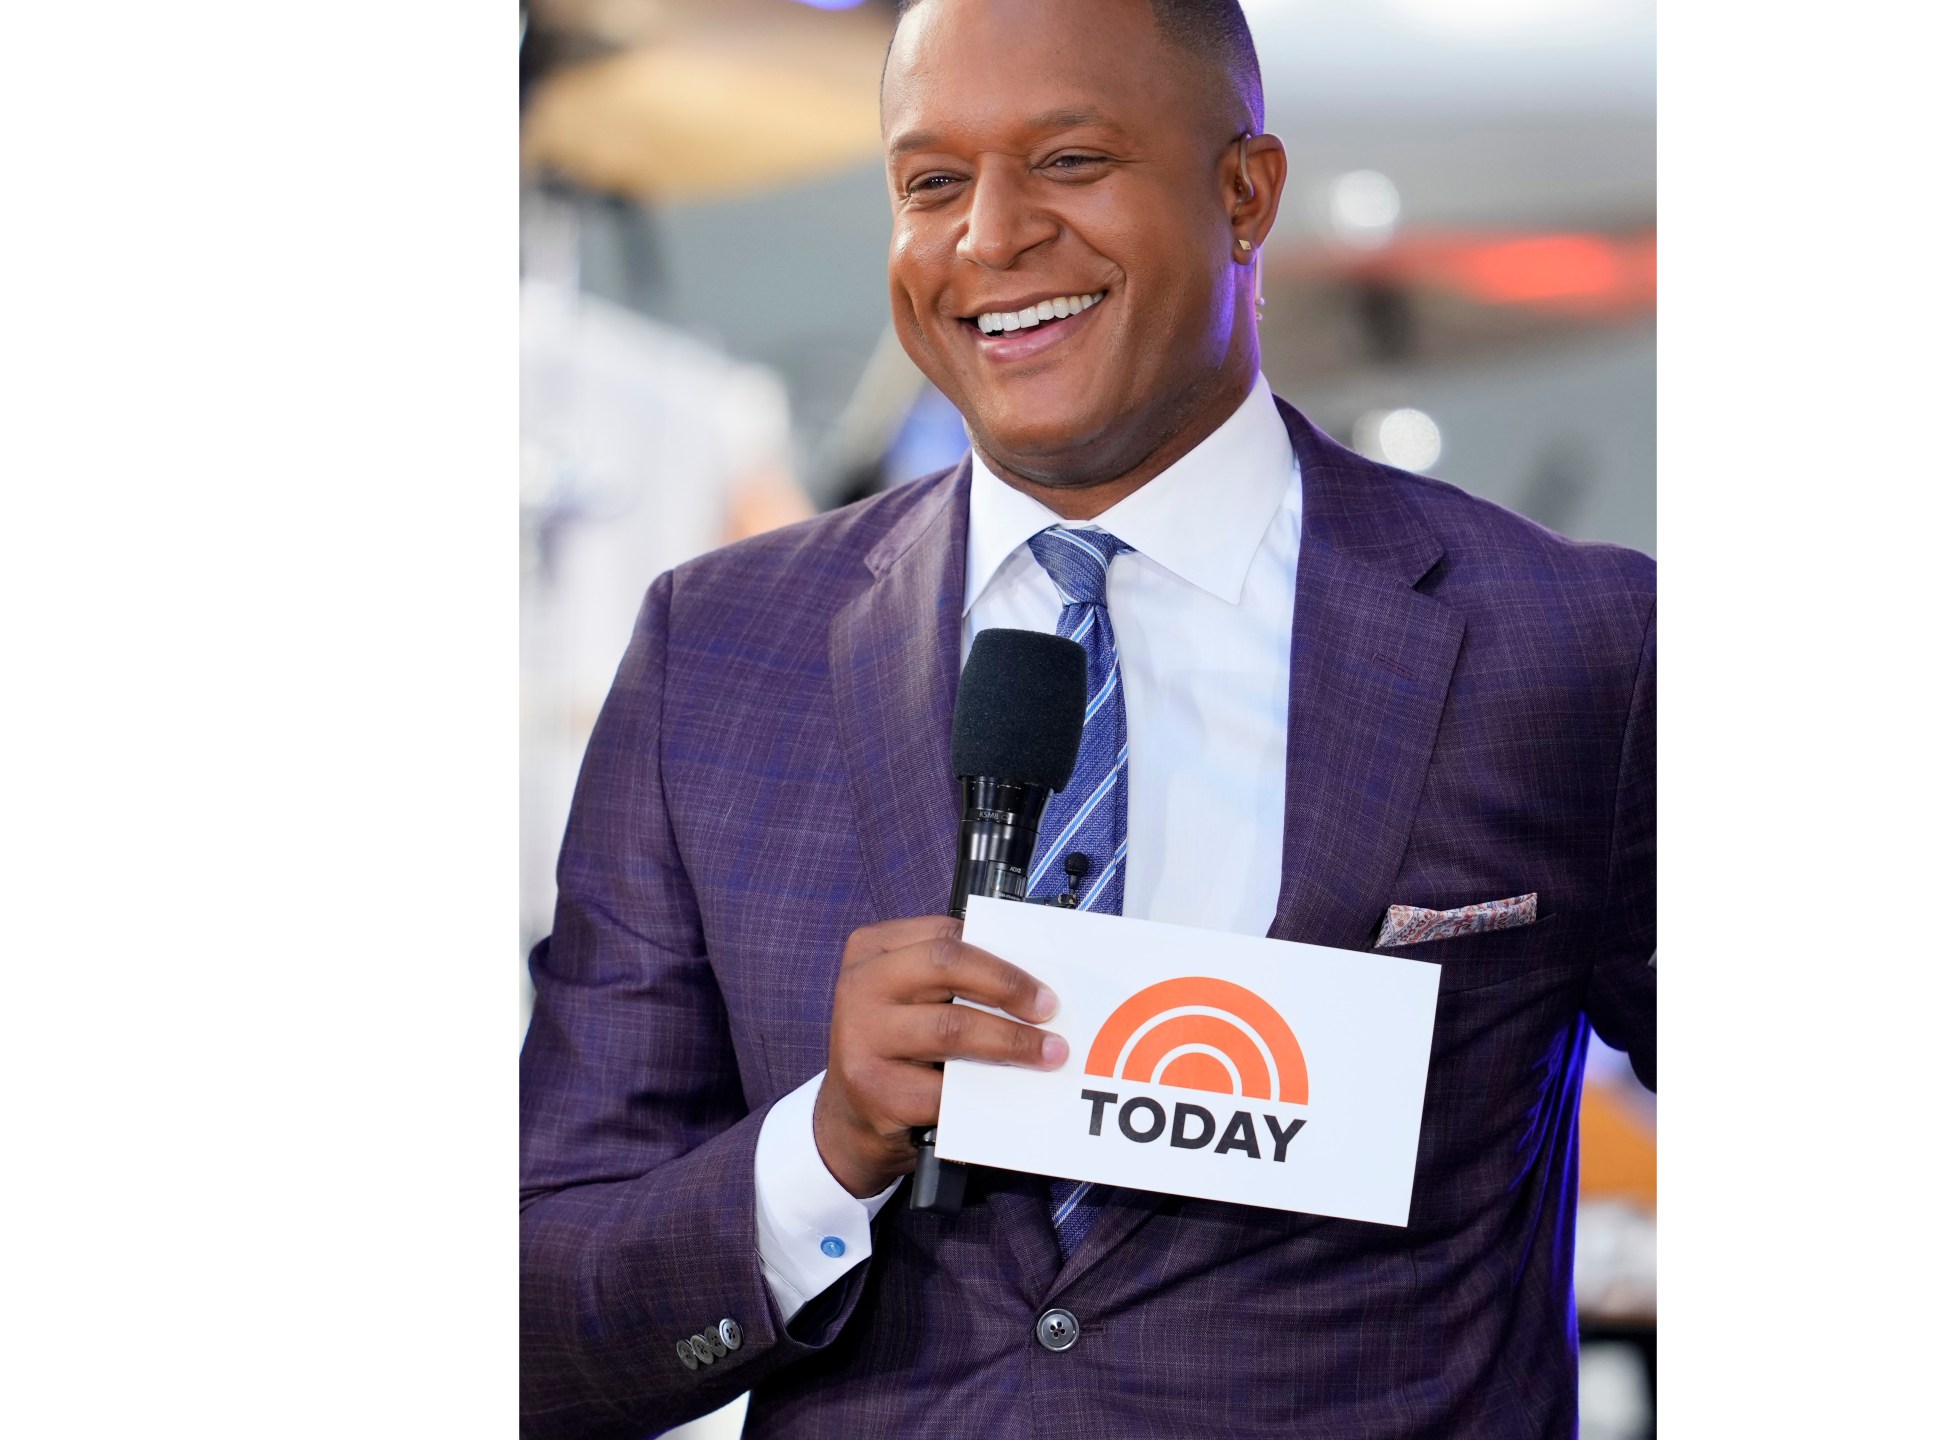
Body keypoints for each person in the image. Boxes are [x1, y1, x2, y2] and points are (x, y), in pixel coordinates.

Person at [518, 1, 1655, 1435]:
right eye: (931, 182)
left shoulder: (1577, 646)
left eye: (1067, 160)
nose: (989, 235)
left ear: (1245, 194)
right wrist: (823, 1148)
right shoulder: (721, 653)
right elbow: (533, 1320)